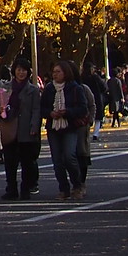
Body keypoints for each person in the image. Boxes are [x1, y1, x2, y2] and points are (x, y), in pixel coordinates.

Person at [44, 61, 94, 200]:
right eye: (54, 72)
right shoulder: (49, 89)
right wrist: (50, 113)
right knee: (57, 160)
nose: (55, 74)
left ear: (66, 73)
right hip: (53, 127)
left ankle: (77, 184)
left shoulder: (75, 88)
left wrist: (67, 112)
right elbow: (42, 107)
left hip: (70, 126)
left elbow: (83, 108)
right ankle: (63, 188)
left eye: (58, 72)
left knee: (69, 156)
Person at [0, 61, 43, 200]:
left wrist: (34, 126)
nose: (21, 72)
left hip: (26, 129)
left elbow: (36, 109)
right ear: (14, 71)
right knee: (10, 162)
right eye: (19, 69)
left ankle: (25, 189)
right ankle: (11, 188)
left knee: (27, 162)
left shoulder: (33, 90)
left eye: (24, 70)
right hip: (10, 128)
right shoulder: (5, 88)